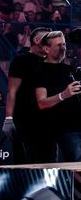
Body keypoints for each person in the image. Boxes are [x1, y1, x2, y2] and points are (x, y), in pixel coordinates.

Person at [35, 31, 81, 162]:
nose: (63, 48)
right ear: (46, 49)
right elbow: (41, 103)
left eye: (64, 45)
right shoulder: (40, 70)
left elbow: (78, 95)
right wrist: (63, 95)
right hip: (65, 130)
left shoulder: (68, 69)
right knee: (76, 168)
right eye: (58, 45)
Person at [4, 27, 53, 163]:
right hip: (24, 121)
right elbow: (12, 91)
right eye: (47, 39)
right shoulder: (21, 61)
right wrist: (8, 118)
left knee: (49, 164)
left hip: (48, 122)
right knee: (24, 164)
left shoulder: (52, 62)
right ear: (37, 40)